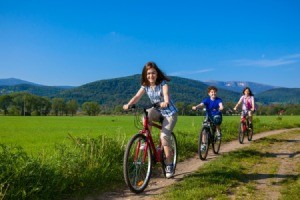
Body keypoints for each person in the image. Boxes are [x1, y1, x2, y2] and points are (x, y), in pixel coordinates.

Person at [123, 61, 178, 178]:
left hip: (169, 113)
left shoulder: (163, 84)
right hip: (157, 111)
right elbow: (137, 96)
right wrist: (128, 104)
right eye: (148, 74)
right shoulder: (145, 85)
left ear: (157, 74)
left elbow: (166, 94)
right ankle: (145, 139)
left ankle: (169, 164)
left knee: (164, 137)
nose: (150, 76)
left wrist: (166, 102)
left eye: (153, 73)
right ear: (145, 75)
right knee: (147, 114)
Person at [192, 86, 224, 151]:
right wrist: (196, 107)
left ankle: (218, 133)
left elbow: (221, 105)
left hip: (216, 115)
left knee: (217, 121)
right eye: (212, 92)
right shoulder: (207, 100)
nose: (213, 93)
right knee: (204, 129)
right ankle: (203, 144)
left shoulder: (218, 100)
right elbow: (201, 104)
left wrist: (221, 107)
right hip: (208, 115)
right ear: (209, 93)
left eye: (215, 92)